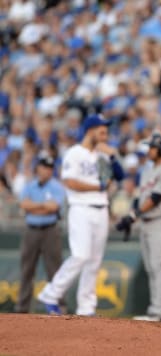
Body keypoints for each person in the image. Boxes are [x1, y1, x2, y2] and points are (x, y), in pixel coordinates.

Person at [37, 114, 124, 316]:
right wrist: (98, 186)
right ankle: (51, 293)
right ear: (90, 130)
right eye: (101, 130)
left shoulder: (102, 155)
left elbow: (119, 176)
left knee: (94, 260)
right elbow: (70, 182)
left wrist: (111, 156)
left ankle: (86, 307)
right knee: (80, 255)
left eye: (106, 130)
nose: (105, 134)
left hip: (101, 209)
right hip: (80, 209)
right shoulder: (74, 153)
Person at [116, 132, 161, 322]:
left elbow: (156, 198)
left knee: (159, 265)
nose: (149, 150)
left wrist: (135, 214)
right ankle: (155, 310)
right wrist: (131, 216)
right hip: (147, 222)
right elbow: (140, 197)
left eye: (152, 147)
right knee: (152, 267)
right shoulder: (147, 169)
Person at [15, 151, 66, 313]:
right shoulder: (29, 185)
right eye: (45, 167)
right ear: (38, 168)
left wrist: (34, 206)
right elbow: (24, 205)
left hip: (50, 230)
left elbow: (54, 208)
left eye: (50, 167)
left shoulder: (57, 186)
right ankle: (22, 308)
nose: (48, 170)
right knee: (27, 270)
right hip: (31, 231)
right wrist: (43, 206)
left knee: (55, 271)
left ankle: (59, 307)